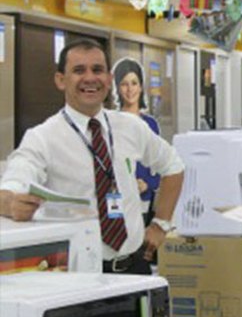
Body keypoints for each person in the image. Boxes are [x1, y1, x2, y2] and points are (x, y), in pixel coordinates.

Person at [0, 38, 184, 275]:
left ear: (108, 79)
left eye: (97, 70)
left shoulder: (130, 127)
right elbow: (11, 186)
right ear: (60, 80)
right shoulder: (42, 138)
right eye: (78, 70)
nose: (90, 78)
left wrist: (160, 225)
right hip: (78, 277)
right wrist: (11, 203)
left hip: (134, 268)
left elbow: (173, 166)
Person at [113, 57, 161, 226]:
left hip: (143, 201)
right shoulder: (110, 123)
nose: (130, 89)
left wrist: (147, 184)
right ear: (118, 88)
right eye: (124, 84)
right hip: (117, 201)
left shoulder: (150, 125)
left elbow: (159, 166)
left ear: (141, 86)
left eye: (134, 83)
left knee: (140, 249)